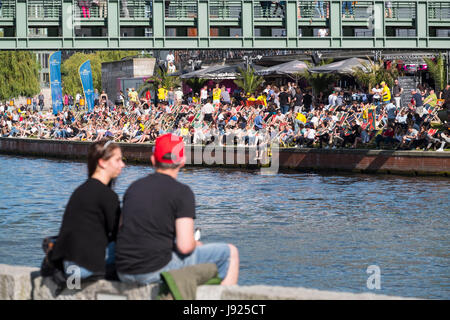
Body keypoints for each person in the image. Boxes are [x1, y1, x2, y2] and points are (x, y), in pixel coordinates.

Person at [115, 133, 239, 285]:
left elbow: (121, 230)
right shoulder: (183, 192)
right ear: (182, 161)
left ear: (153, 160)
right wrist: (195, 244)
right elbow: (185, 246)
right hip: (152, 271)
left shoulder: (133, 188)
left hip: (123, 269)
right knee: (230, 253)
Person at [50, 140, 125, 280]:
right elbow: (117, 235)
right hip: (84, 268)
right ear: (102, 162)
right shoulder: (108, 196)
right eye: (118, 160)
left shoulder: (80, 190)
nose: (123, 164)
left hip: (69, 265)